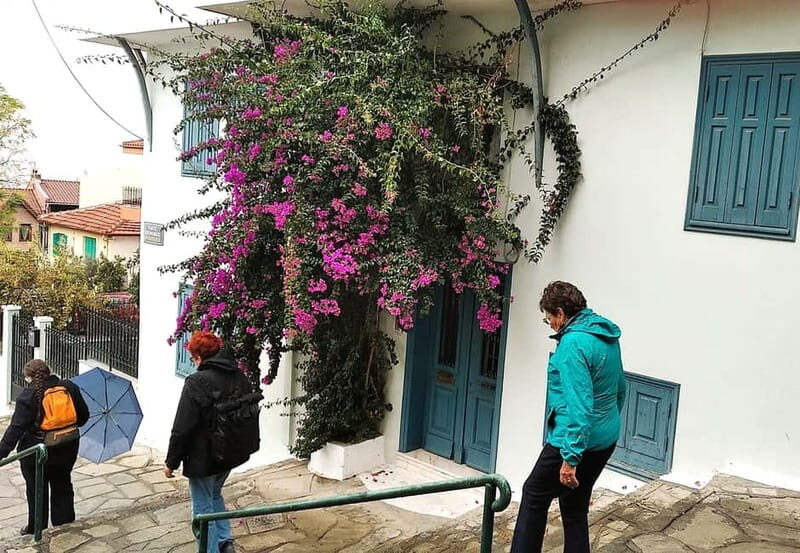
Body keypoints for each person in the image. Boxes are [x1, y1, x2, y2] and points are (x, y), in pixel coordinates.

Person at [510, 281, 626, 553]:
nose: (549, 324)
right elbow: (620, 388)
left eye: (548, 317)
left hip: (574, 440)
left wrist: (570, 458)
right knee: (574, 506)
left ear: (560, 314)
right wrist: (605, 426)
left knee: (534, 493)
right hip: (605, 439)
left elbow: (580, 406)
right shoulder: (605, 334)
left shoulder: (573, 344)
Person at [165, 331, 260, 553]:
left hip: (204, 457)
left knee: (202, 510)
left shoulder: (196, 382)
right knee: (215, 493)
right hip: (231, 452)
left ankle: (210, 550)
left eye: (192, 356)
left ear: (199, 356)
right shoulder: (238, 374)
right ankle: (225, 542)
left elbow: (182, 427)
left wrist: (171, 462)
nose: (193, 361)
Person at [0, 359, 89, 535]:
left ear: (28, 377)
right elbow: (83, 417)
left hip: (38, 452)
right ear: (49, 371)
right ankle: (64, 526)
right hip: (68, 446)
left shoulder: (28, 396)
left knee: (36, 491)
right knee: (62, 485)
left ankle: (37, 529)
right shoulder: (69, 386)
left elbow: (15, 430)